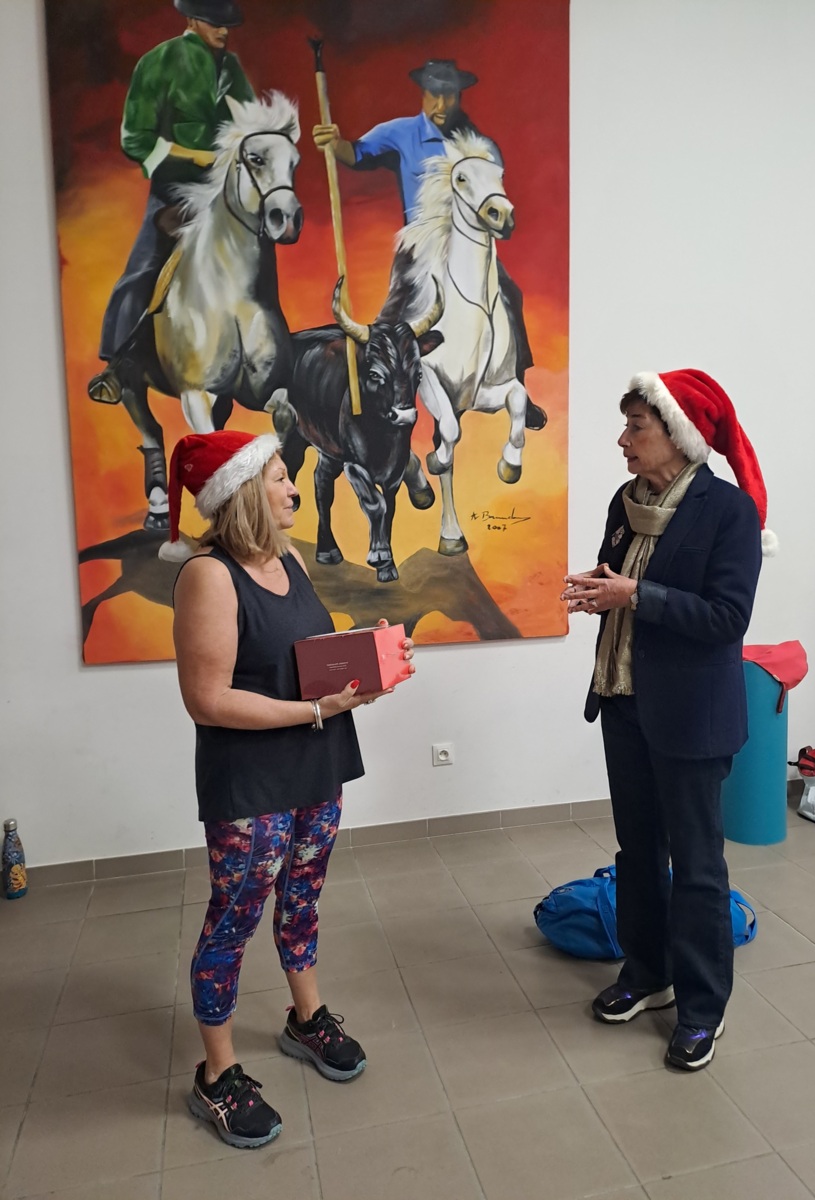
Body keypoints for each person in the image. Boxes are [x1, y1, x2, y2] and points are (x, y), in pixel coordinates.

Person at [166, 429, 415, 1149]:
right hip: (252, 783)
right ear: (244, 492)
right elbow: (208, 699)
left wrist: (365, 661)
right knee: (234, 919)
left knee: (302, 899)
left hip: (315, 763)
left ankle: (306, 1020)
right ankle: (217, 1075)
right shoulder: (208, 576)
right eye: (278, 477)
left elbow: (301, 662)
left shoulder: (292, 558)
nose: (293, 488)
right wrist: (316, 709)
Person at [562, 369, 775, 1071]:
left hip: (693, 717)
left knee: (699, 867)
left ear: (678, 436)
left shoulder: (729, 512)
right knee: (637, 853)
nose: (623, 441)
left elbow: (727, 618)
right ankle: (647, 974)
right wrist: (598, 591)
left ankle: (703, 1007)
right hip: (625, 702)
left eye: (636, 427)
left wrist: (635, 595)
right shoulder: (625, 504)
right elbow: (619, 584)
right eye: (625, 426)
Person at [312, 59, 546, 430]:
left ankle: (519, 385)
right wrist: (332, 142)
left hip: (468, 244)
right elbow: (355, 153)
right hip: (420, 245)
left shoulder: (479, 145)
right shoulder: (401, 132)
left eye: (448, 95)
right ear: (423, 94)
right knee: (391, 315)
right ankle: (372, 391)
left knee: (510, 296)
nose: (441, 104)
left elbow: (494, 195)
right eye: (434, 95)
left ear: (458, 97)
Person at [88, 0, 254, 405]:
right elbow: (135, 139)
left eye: (227, 24)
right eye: (215, 22)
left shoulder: (231, 68)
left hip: (224, 190)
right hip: (174, 191)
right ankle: (118, 364)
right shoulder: (157, 62)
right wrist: (191, 155)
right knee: (144, 270)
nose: (224, 31)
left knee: (256, 255)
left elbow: (250, 124)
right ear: (192, 19)